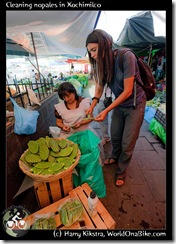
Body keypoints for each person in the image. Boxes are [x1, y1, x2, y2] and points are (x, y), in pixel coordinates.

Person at [85, 29, 146, 187]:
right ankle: (113, 155)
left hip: (135, 104)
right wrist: (91, 106)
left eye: (93, 50)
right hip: (119, 104)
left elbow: (127, 91)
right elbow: (99, 88)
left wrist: (106, 110)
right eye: (89, 51)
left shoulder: (126, 56)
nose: (91, 55)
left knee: (128, 142)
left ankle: (121, 171)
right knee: (115, 135)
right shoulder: (102, 64)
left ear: (104, 45)